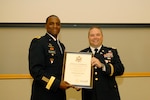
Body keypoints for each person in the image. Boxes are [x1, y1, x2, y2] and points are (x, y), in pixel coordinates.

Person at [28, 15, 72, 100]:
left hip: (59, 94)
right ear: (46, 26)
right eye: (51, 24)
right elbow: (36, 71)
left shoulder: (61, 46)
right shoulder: (39, 42)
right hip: (44, 94)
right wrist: (57, 84)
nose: (55, 26)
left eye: (57, 24)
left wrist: (73, 83)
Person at [80, 26, 125, 100]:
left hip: (109, 95)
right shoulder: (82, 54)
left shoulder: (111, 52)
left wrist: (103, 66)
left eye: (98, 35)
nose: (95, 37)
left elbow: (120, 69)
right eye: (92, 35)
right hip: (89, 96)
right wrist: (77, 84)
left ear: (102, 37)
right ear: (88, 38)